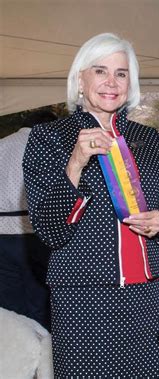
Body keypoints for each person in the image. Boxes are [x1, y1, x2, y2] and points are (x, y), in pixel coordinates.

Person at [23, 33, 159, 377]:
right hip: (84, 298)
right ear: (80, 79)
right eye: (100, 71)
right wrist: (75, 162)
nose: (111, 82)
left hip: (148, 298)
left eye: (121, 73)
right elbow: (48, 229)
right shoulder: (49, 138)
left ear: (130, 83)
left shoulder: (149, 140)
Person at [0, 111, 57, 331]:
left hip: (1, 237)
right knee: (41, 302)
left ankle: (15, 359)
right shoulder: (47, 148)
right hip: (36, 234)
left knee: (9, 306)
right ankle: (45, 358)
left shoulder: (2, 145)